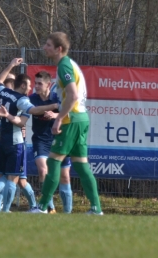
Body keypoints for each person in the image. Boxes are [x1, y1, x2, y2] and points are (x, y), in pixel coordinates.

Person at [29, 32, 103, 215]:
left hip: (72, 120)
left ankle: (41, 207)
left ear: (58, 49)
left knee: (53, 161)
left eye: (48, 45)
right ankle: (96, 209)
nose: (44, 47)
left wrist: (59, 118)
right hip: (82, 118)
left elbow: (73, 95)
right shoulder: (68, 64)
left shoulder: (64, 66)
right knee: (80, 164)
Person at [0, 58, 59, 212]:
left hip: (2, 139)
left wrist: (11, 64)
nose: (31, 89)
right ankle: (5, 210)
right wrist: (55, 106)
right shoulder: (23, 100)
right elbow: (30, 115)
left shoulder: (4, 92)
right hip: (16, 142)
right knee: (12, 178)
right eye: (30, 85)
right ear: (23, 85)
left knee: (2, 175)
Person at [29, 71, 72, 213]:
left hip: (59, 140)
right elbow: (34, 111)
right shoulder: (33, 98)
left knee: (64, 176)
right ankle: (49, 207)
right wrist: (53, 107)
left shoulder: (58, 97)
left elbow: (71, 114)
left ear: (49, 84)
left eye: (40, 83)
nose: (36, 86)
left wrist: (55, 115)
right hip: (41, 140)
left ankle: (68, 213)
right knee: (43, 170)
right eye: (35, 83)